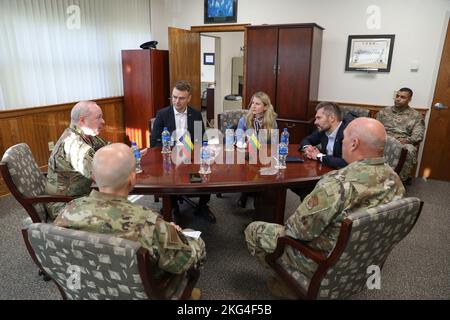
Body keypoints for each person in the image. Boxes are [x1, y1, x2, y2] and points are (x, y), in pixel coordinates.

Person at [244, 117, 405, 299]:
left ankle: (290, 286)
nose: (341, 141)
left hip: (322, 261)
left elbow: (296, 231)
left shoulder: (336, 184)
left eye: (343, 138)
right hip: (362, 260)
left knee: (254, 230)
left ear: (354, 144)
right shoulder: (396, 180)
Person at [53, 143, 206, 299]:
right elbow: (185, 261)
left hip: (87, 288)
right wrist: (179, 235)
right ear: (132, 179)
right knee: (194, 241)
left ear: (93, 176)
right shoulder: (149, 224)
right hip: (140, 293)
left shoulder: (68, 210)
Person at [150, 80, 215, 223]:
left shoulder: (196, 114)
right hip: (169, 156)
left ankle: (203, 205)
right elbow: (154, 142)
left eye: (181, 98)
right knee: (169, 175)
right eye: (174, 97)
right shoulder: (162, 114)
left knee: (206, 170)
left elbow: (200, 139)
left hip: (191, 155)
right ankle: (173, 207)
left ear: (189, 98)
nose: (176, 101)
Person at [45, 101, 108, 219]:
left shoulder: (86, 135)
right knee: (116, 215)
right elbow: (103, 177)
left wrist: (127, 153)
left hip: (81, 197)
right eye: (98, 117)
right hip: (65, 205)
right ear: (82, 120)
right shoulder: (74, 145)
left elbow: (110, 150)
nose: (103, 121)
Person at [236, 91, 278, 208]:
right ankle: (245, 192)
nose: (253, 106)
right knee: (247, 167)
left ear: (265, 107)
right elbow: (238, 135)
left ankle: (258, 196)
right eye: (252, 103)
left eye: (257, 104)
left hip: (264, 155)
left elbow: (274, 143)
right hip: (247, 154)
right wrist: (243, 142)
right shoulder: (245, 119)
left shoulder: (271, 122)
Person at [376, 88, 425, 183]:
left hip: (402, 141)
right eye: (397, 96)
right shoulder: (384, 112)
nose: (398, 99)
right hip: (384, 138)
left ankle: (399, 181)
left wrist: (407, 140)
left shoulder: (416, 116)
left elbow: (418, 136)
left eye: (402, 97)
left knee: (409, 150)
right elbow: (374, 127)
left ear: (409, 99)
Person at [300, 101, 354, 169]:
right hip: (325, 171)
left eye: (319, 118)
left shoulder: (348, 133)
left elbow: (346, 163)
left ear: (332, 118)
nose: (315, 122)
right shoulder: (323, 130)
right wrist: (308, 148)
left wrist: (319, 156)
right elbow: (306, 140)